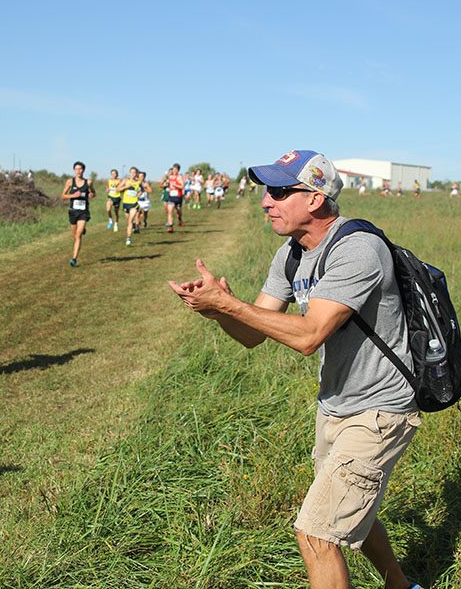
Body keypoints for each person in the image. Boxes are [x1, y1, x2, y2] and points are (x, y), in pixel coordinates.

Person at [168, 150, 422, 589]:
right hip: (337, 407)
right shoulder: (291, 254)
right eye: (268, 190)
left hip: (379, 411)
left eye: (282, 191)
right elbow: (253, 333)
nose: (267, 201)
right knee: (351, 517)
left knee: (317, 534)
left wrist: (230, 304)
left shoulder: (357, 249)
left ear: (316, 199)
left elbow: (308, 336)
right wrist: (216, 310)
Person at [61, 161, 94, 266]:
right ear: (74, 170)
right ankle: (82, 228)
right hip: (73, 212)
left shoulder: (88, 182)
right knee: (75, 236)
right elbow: (63, 196)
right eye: (76, 169)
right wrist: (73, 195)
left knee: (78, 235)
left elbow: (93, 192)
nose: (78, 171)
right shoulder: (70, 182)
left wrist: (91, 194)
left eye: (80, 169)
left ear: (83, 170)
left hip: (83, 212)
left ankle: (74, 259)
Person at [119, 167, 142, 245]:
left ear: (136, 174)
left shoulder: (138, 182)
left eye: (134, 172)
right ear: (129, 173)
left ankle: (128, 238)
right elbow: (117, 189)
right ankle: (134, 225)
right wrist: (125, 187)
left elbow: (141, 190)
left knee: (130, 221)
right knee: (128, 220)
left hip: (134, 204)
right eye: (131, 172)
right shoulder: (125, 180)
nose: (132, 174)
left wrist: (139, 194)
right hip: (126, 204)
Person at [165, 164, 185, 232]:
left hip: (178, 196)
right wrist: (167, 184)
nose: (174, 171)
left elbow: (182, 186)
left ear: (178, 170)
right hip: (171, 196)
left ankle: (180, 219)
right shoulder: (170, 177)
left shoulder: (179, 177)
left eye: (176, 169)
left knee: (178, 210)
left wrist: (175, 185)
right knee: (170, 211)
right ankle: (170, 226)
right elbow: (167, 184)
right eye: (173, 169)